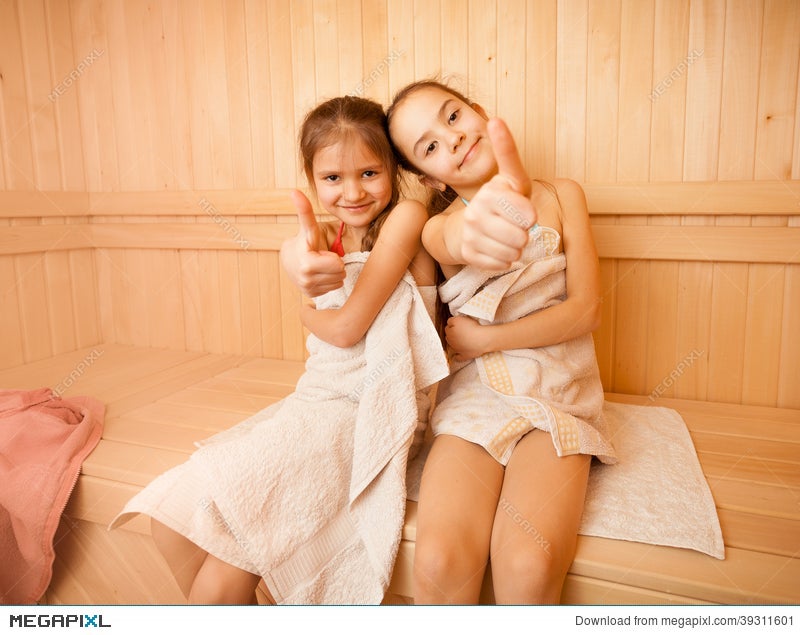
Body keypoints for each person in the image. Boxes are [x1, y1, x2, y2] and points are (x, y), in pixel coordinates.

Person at [110, 95, 447, 604]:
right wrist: (294, 259)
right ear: (312, 179)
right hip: (316, 400)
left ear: (393, 169)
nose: (352, 191)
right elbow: (305, 273)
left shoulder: (408, 218)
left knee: (222, 576)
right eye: (332, 178)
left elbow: (346, 329)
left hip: (376, 413)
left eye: (369, 173)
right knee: (168, 521)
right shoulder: (327, 237)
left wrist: (305, 311)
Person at [385, 80, 616, 604]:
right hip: (475, 396)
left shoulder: (563, 195)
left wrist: (489, 338)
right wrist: (477, 226)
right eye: (430, 147)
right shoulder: (437, 229)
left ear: (479, 112)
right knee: (440, 562)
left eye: (453, 117)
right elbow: (458, 237)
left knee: (527, 564)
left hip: (557, 387)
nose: (454, 140)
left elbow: (586, 310)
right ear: (428, 175)